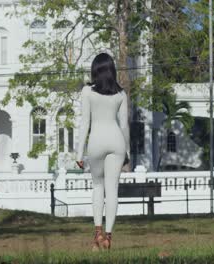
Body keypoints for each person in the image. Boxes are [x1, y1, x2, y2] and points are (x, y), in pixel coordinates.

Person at [76, 53, 130, 251]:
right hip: (116, 141)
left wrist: (78, 154)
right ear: (112, 70)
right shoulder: (121, 94)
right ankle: (108, 237)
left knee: (98, 187)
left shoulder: (87, 92)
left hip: (97, 141)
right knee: (112, 190)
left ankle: (97, 234)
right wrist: (128, 152)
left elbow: (84, 124)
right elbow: (124, 126)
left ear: (95, 70)